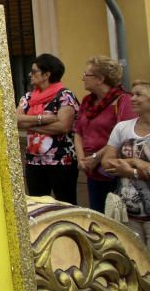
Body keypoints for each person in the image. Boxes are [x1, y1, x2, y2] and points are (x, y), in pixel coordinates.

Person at [74, 56, 136, 213]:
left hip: (113, 172)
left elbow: (122, 137)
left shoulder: (123, 101)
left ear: (100, 79)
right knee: (98, 214)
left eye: (86, 74)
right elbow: (78, 131)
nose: (82, 78)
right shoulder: (87, 101)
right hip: (92, 171)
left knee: (115, 217)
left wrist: (96, 157)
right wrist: (82, 158)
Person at [16, 53, 80, 203]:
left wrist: (30, 125)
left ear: (47, 74)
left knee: (66, 203)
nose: (30, 75)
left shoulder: (65, 96)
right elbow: (15, 120)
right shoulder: (27, 98)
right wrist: (41, 119)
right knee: (38, 204)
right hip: (34, 161)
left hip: (61, 161)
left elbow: (63, 126)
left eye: (34, 71)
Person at [101, 80, 150, 246]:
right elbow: (107, 163)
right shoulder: (122, 128)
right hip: (127, 214)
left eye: (139, 95)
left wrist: (131, 172)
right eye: (132, 94)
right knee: (135, 263)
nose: (132, 99)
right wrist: (134, 161)